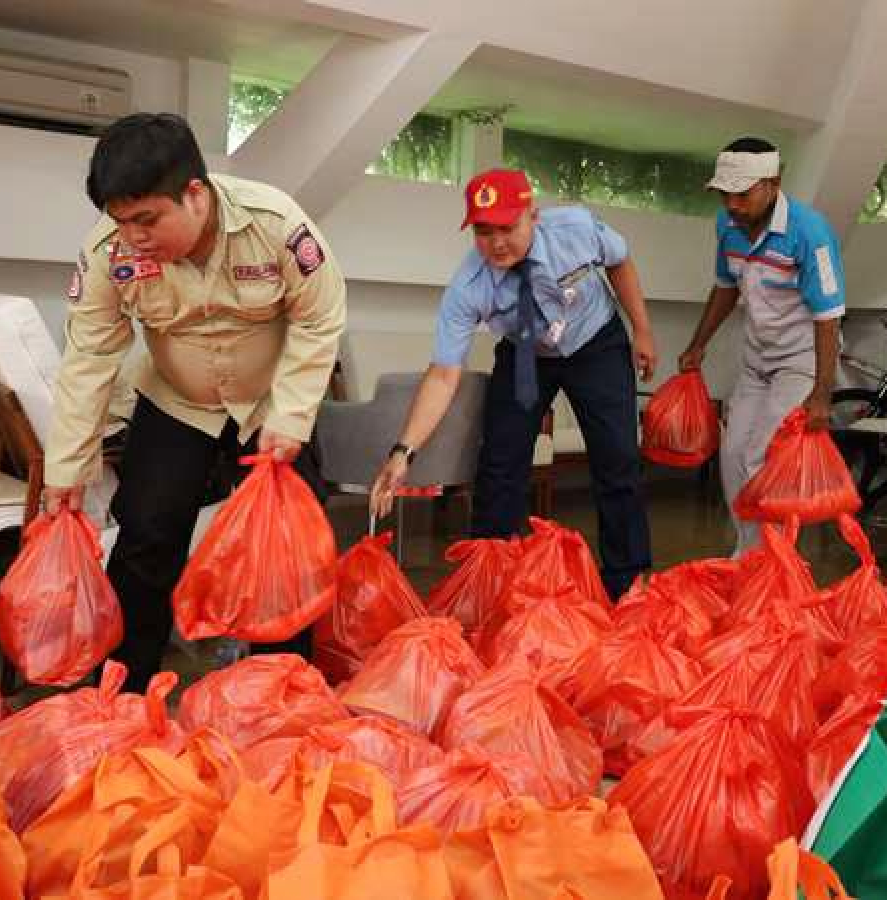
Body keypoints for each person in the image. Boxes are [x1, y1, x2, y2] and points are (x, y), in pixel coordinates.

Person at [43, 113, 346, 691]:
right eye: (121, 221)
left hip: (268, 405)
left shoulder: (276, 225)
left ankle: (280, 694)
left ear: (195, 195)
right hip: (177, 401)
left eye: (147, 219)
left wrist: (292, 416)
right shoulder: (108, 252)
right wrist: (67, 466)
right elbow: (90, 356)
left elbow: (318, 318)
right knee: (145, 538)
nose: (133, 236)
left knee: (285, 552)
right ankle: (121, 693)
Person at [369, 168, 656, 599]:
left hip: (595, 341)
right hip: (526, 353)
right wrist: (402, 452)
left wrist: (642, 329)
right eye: (483, 232)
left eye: (507, 228)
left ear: (532, 216)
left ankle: (627, 583)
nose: (497, 243)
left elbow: (620, 261)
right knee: (499, 465)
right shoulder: (468, 286)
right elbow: (443, 375)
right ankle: (490, 583)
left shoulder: (575, 229)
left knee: (617, 459)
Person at [678, 136, 845, 556]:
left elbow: (828, 318)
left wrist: (822, 394)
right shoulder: (727, 227)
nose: (732, 205)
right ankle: (751, 553)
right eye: (725, 195)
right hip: (757, 360)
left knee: (761, 453)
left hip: (801, 360)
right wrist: (697, 345)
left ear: (774, 183)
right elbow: (725, 287)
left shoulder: (810, 233)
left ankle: (769, 559)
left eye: (742, 194)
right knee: (733, 454)